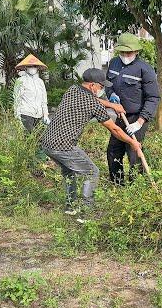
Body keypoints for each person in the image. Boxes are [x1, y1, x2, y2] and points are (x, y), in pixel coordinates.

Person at [39, 68, 142, 216]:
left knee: (69, 172)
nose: (102, 89)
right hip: (63, 146)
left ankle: (71, 207)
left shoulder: (73, 89)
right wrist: (132, 143)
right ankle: (86, 213)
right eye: (101, 87)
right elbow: (115, 130)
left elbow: (94, 99)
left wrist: (112, 105)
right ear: (92, 85)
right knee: (92, 172)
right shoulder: (94, 105)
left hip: (48, 142)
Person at [96, 33, 160, 185]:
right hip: (119, 116)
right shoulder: (113, 63)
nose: (125, 55)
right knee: (113, 150)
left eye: (128, 52)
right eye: (122, 52)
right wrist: (111, 95)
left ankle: (135, 186)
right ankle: (117, 184)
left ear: (136, 51)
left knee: (134, 153)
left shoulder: (145, 69)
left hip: (137, 117)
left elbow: (153, 98)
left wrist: (139, 122)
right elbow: (108, 85)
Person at [13, 54, 50, 132]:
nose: (32, 68)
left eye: (34, 66)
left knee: (40, 138)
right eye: (30, 66)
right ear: (26, 67)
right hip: (26, 114)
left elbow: (44, 100)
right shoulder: (21, 81)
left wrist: (45, 115)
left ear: (37, 68)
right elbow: (17, 99)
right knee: (29, 138)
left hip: (39, 115)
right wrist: (17, 116)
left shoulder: (40, 82)